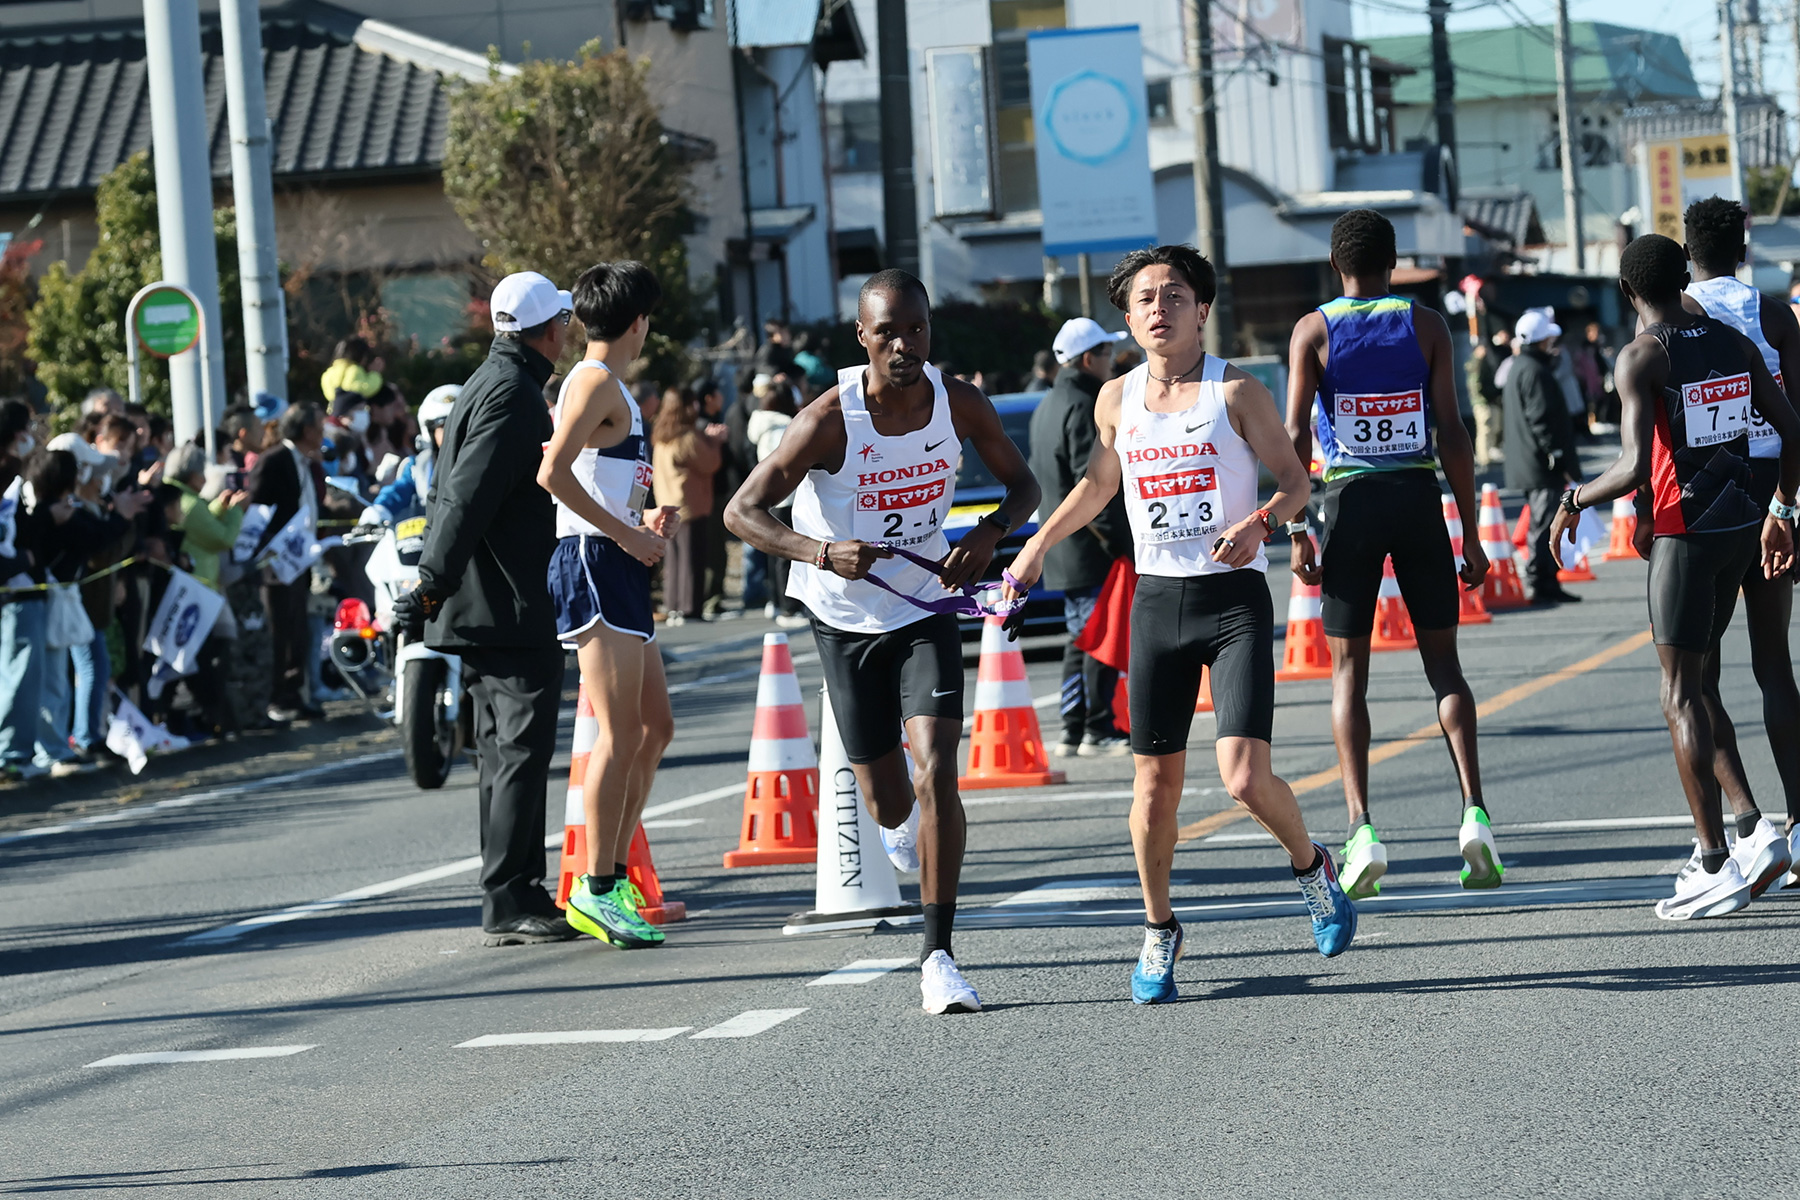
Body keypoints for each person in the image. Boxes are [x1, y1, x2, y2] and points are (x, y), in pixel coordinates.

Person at [1007, 246, 1356, 1003]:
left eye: (1174, 295)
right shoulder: (1115, 400)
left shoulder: (1238, 393)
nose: (1159, 308)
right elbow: (1100, 485)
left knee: (1242, 779)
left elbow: (1297, 482)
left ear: (1202, 309)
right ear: (1127, 320)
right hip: (1158, 604)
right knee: (1153, 791)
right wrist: (1037, 543)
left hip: (1231, 602)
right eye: (1144, 300)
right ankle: (1160, 929)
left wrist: (1262, 523)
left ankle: (1311, 866)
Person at [727, 268, 1041, 1015]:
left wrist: (991, 532)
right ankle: (898, 820)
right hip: (843, 615)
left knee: (938, 772)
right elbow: (742, 512)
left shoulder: (958, 402)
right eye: (888, 331)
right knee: (889, 796)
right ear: (862, 337)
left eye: (917, 329)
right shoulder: (829, 419)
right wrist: (818, 551)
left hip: (925, 606)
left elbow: (1023, 487)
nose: (904, 344)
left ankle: (938, 956)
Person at [1548, 233, 1800, 919]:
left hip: (1684, 536)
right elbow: (1793, 430)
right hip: (1742, 526)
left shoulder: (1642, 356)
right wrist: (1782, 508)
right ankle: (1754, 827)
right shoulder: (1734, 342)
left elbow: (1632, 466)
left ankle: (1714, 858)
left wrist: (1573, 500)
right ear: (1683, 276)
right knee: (1711, 680)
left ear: (1629, 292)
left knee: (1679, 693)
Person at [1285, 209, 1497, 899]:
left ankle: (1361, 830)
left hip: (1347, 503)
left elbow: (1293, 437)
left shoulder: (1313, 329)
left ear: (1334, 262)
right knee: (1445, 667)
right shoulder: (1428, 323)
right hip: (1416, 495)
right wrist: (1470, 528)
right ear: (1395, 259)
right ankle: (1474, 816)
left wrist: (1296, 530)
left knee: (1350, 673)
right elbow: (1455, 431)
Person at [392, 272, 576, 945]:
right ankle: (512, 894)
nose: (566, 330)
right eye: (562, 320)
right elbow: (465, 496)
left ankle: (509, 894)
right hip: (504, 599)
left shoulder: (489, 379)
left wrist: (438, 585)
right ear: (546, 329)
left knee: (502, 751)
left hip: (486, 598)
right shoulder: (514, 393)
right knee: (519, 749)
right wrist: (430, 582)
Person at [537, 261, 678, 950]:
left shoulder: (610, 384)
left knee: (656, 727)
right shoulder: (593, 381)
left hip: (617, 556)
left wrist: (644, 524)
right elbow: (553, 472)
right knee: (620, 734)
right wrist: (624, 532)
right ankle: (594, 891)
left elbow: (598, 478)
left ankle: (614, 876)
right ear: (638, 322)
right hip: (595, 562)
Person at [1674, 196, 1800, 889]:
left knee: (1699, 678)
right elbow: (1798, 418)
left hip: (1706, 499)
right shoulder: (1774, 315)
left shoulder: (1677, 318)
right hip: (1771, 489)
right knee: (1775, 665)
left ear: (1688, 252)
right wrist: (1789, 505)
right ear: (1744, 248)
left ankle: (1749, 829)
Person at [1029, 316, 1133, 757]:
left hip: (1063, 547)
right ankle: (1098, 726)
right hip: (1093, 546)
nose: (1112, 361)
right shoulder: (1087, 404)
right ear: (1088, 359)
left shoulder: (1047, 404)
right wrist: (1121, 543)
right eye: (1107, 353)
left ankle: (1073, 728)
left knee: (1080, 638)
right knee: (1099, 638)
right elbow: (1090, 483)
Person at [247, 402, 330, 724]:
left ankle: (295, 694)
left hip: (301, 557)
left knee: (298, 629)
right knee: (278, 629)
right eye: (319, 428)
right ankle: (275, 697)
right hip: (278, 562)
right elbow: (256, 509)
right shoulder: (274, 460)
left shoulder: (306, 463)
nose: (322, 434)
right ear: (306, 430)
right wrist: (270, 549)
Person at [1503, 309, 1584, 605]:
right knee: (1544, 522)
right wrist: (1558, 456)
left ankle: (1545, 578)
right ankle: (1541, 580)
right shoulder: (1535, 371)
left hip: (1528, 461)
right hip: (1540, 464)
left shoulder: (1520, 366)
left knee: (1543, 520)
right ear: (1541, 339)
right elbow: (1541, 420)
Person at [652, 387, 726, 625]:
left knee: (674, 560)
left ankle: (673, 604)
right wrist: (715, 442)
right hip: (689, 505)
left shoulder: (662, 435)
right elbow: (709, 463)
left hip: (667, 502)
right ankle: (691, 608)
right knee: (693, 559)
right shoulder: (687, 436)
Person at [746, 375, 806, 627]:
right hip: (787, 498)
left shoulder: (760, 424)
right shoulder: (784, 427)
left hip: (769, 497)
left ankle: (775, 601)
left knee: (773, 553)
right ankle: (789, 607)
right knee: (787, 554)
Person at [366, 385, 459, 524]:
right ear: (430, 431)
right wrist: (378, 510)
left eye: (458, 425)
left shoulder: (484, 461)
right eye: (442, 426)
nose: (451, 432)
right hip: (430, 541)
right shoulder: (419, 466)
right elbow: (397, 492)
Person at [321, 337, 384, 404]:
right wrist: (375, 373)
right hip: (352, 411)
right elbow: (365, 388)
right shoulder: (354, 370)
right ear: (362, 357)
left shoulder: (329, 372)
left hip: (333, 411)